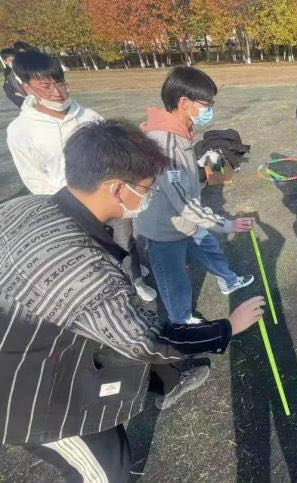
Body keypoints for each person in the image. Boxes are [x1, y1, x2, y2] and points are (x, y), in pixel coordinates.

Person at [0, 120, 266, 481]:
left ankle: (167, 383)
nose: (149, 195)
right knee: (106, 474)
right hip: (33, 397)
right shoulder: (88, 270)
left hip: (39, 347)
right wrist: (228, 327)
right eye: (146, 188)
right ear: (116, 189)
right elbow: (149, 342)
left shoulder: (21, 207)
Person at [6, 49, 156, 302]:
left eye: (61, 83)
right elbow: (34, 179)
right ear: (27, 88)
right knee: (91, 252)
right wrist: (69, 203)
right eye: (46, 86)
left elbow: (115, 153)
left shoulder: (88, 116)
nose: (57, 92)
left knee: (124, 241)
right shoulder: (21, 130)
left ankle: (135, 278)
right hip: (69, 209)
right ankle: (110, 288)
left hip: (111, 198)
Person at [135, 66, 255, 325]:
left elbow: (184, 185)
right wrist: (227, 224)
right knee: (174, 281)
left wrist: (201, 171)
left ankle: (228, 280)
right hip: (165, 229)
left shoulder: (181, 131)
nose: (209, 109)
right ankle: (182, 323)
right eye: (206, 104)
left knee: (209, 248)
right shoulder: (165, 143)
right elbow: (184, 202)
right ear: (184, 103)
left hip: (187, 222)